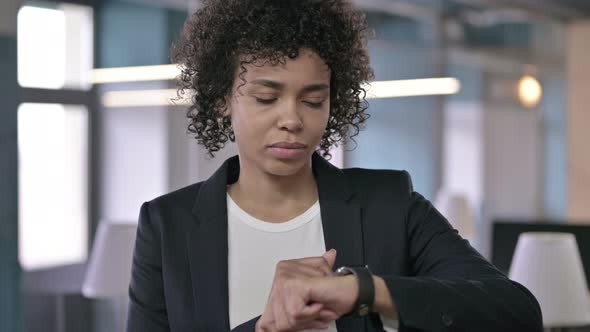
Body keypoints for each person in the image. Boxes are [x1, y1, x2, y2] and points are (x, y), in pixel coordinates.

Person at [126, 0, 543, 331]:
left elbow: (515, 312)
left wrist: (364, 290)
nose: (292, 119)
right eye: (266, 98)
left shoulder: (390, 206)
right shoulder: (167, 226)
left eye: (313, 100)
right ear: (222, 98)